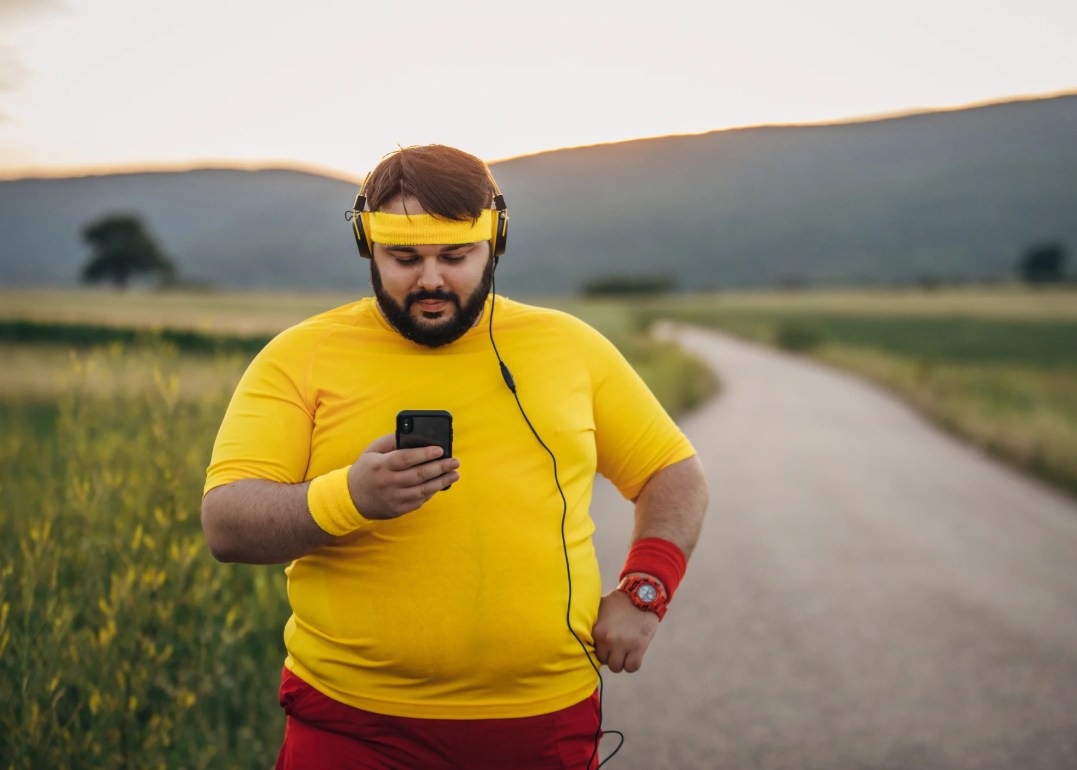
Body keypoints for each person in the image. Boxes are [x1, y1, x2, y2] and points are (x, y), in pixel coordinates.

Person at [200, 144, 709, 769]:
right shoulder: (297, 357)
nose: (431, 280)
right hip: (352, 724)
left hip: (544, 722)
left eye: (455, 256)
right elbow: (226, 523)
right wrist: (351, 497)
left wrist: (645, 591)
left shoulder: (569, 347)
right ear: (367, 246)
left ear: (495, 242)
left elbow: (671, 473)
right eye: (404, 258)